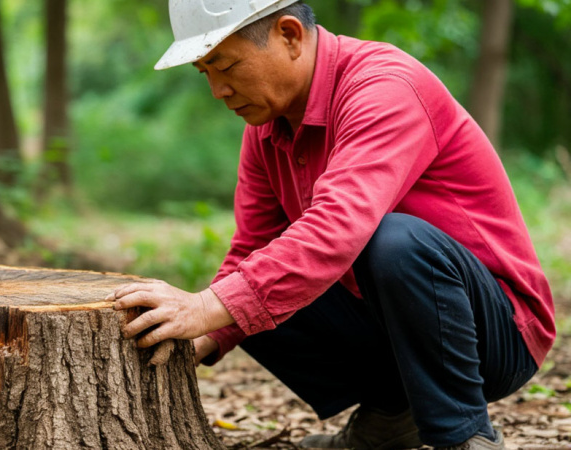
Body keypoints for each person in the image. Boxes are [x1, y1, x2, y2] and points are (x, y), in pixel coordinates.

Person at [105, 1, 555, 448]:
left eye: (226, 65)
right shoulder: (266, 126)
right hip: (394, 323)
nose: (218, 89)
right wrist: (210, 330)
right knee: (255, 285)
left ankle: (464, 436)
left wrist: (207, 305)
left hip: (496, 335)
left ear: (289, 35)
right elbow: (252, 246)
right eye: (205, 72)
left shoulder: (385, 86)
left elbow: (338, 228)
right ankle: (391, 417)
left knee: (393, 242)